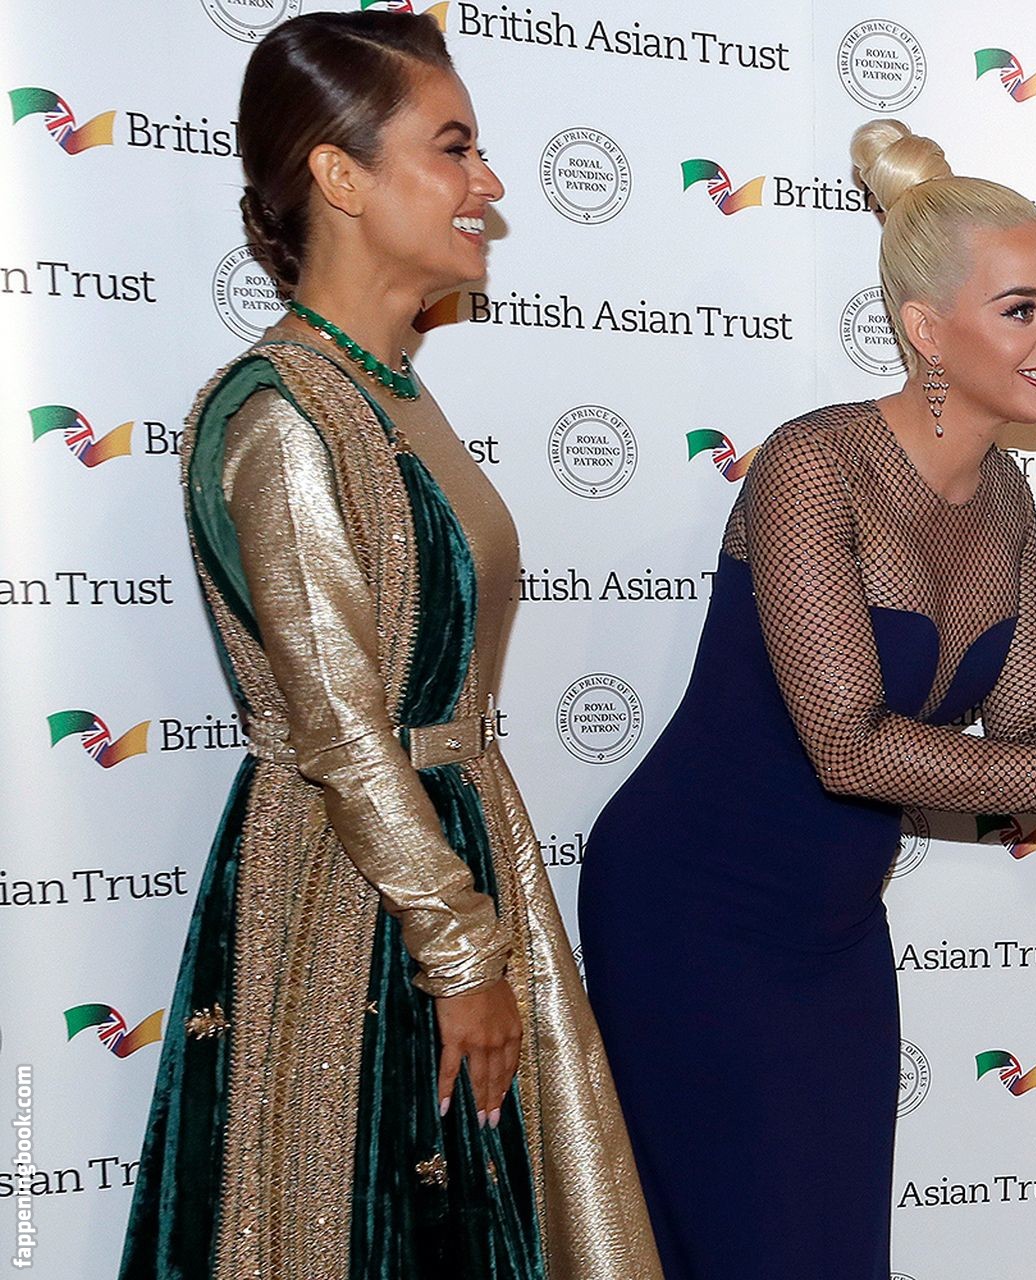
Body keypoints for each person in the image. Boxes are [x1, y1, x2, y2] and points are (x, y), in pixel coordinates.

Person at [579, 119, 1036, 1278]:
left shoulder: (1007, 498)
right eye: (1022, 309)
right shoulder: (814, 466)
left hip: (833, 933)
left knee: (835, 1249)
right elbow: (848, 744)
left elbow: (1028, 732)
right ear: (925, 329)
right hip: (692, 913)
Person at [119, 14, 659, 1279]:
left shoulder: (392, 389)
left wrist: (475, 920)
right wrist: (459, 947)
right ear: (340, 175)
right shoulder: (279, 417)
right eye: (453, 147)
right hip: (352, 896)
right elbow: (343, 727)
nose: (489, 183)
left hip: (454, 852)